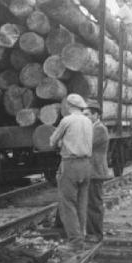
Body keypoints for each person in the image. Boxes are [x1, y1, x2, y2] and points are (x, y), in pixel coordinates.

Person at [49, 94, 93, 250]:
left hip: (71, 165)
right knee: (82, 202)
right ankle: (82, 235)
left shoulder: (66, 121)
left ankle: (75, 242)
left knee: (68, 203)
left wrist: (61, 142)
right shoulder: (88, 121)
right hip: (87, 165)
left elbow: (52, 141)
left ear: (68, 106)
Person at [83, 100, 110, 242]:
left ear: (95, 115)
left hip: (96, 171)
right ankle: (91, 232)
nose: (84, 117)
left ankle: (96, 234)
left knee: (94, 203)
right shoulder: (92, 128)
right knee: (89, 202)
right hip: (91, 170)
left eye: (87, 114)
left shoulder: (99, 129)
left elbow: (86, 145)